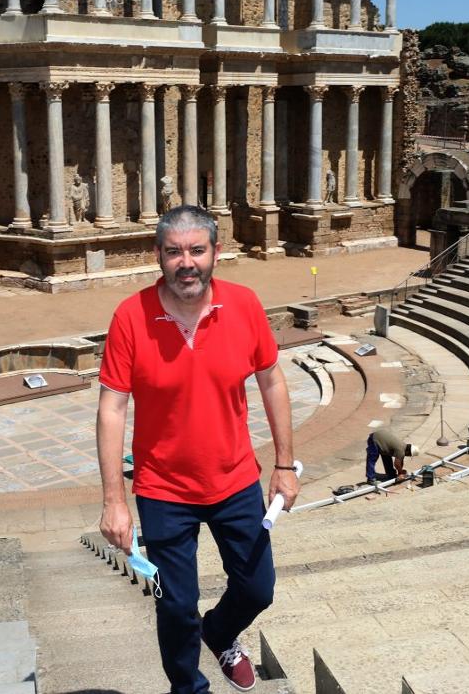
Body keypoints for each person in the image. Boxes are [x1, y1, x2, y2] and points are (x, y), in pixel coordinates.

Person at [97, 205, 299, 694]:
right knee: (174, 603)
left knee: (257, 588)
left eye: (196, 250)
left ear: (215, 253)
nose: (185, 262)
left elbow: (271, 380)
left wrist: (284, 465)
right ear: (158, 257)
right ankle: (188, 687)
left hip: (233, 479)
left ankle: (221, 631)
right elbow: (111, 409)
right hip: (163, 489)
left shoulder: (245, 305)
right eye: (173, 252)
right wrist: (114, 501)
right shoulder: (131, 315)